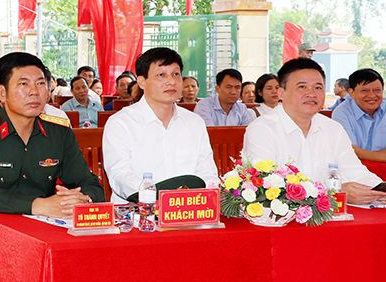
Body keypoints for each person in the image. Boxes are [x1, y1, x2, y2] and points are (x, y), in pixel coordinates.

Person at [0, 52, 102, 216]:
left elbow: (88, 182)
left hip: (46, 230)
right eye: (23, 84)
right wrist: (39, 206)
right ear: (1, 93)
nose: (34, 92)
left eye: (41, 83)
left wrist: (83, 199)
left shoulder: (59, 132)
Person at [244, 59, 385, 205]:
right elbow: (265, 187)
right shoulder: (262, 129)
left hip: (330, 218)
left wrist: (379, 190)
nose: (311, 94)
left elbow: (355, 171)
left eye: (318, 88)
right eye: (302, 87)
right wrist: (336, 192)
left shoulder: (333, 128)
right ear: (281, 93)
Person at [103, 48, 219, 203]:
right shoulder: (121, 123)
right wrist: (153, 197)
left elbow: (207, 172)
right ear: (142, 82)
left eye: (176, 74)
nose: (171, 81)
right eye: (161, 75)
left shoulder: (194, 122)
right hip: (138, 214)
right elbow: (120, 175)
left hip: (188, 213)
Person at [332, 69, 386, 163]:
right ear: (351, 92)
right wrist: (381, 156)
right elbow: (350, 150)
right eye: (365, 91)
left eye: (377, 90)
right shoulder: (341, 113)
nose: (372, 95)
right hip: (353, 169)